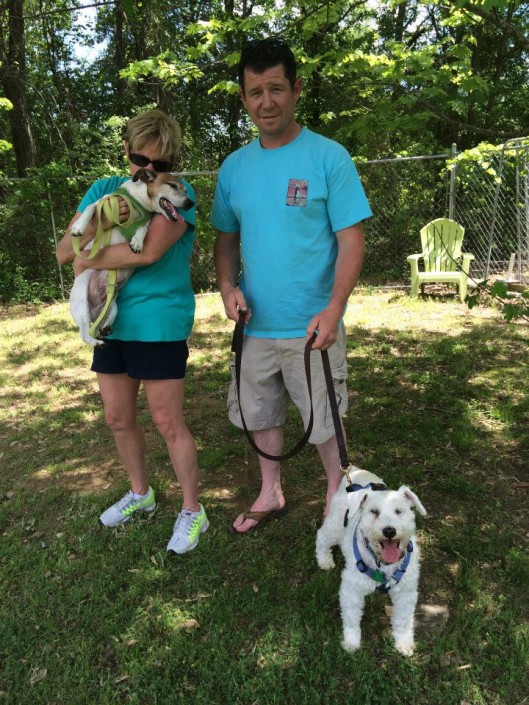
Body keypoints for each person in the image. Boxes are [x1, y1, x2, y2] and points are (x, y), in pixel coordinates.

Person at [211, 38, 372, 534]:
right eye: (255, 92)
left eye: (276, 88)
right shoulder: (234, 167)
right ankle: (270, 490)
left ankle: (335, 493)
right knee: (259, 411)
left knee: (324, 414)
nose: (266, 101)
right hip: (255, 322)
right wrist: (225, 286)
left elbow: (352, 240)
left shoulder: (329, 157)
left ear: (296, 89)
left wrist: (335, 307)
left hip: (312, 324)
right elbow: (226, 239)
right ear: (243, 97)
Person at [56, 109, 208, 554]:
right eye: (141, 160)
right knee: (118, 419)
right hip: (111, 320)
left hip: (159, 321)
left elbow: (148, 254)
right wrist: (96, 233)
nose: (149, 171)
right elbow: (65, 251)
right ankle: (141, 494)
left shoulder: (177, 194)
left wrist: (92, 254)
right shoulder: (104, 191)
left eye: (160, 166)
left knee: (167, 422)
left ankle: (192, 510)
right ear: (127, 150)